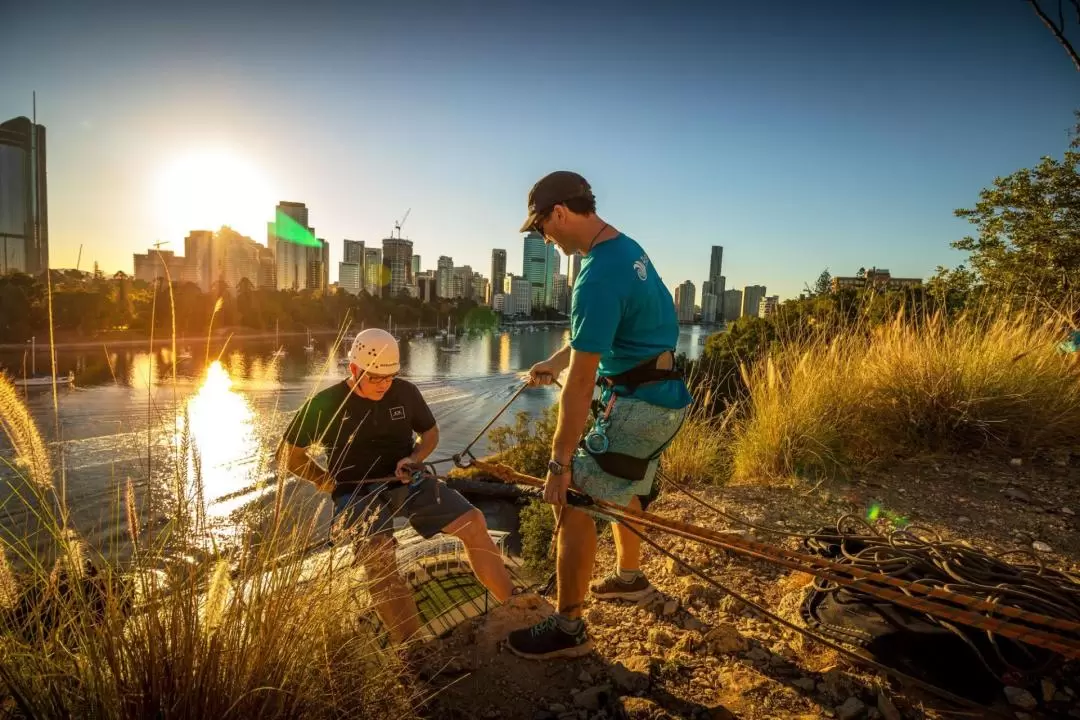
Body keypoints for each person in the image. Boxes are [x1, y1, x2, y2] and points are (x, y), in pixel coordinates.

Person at [506, 171, 692, 660]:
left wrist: (558, 462)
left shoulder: (596, 274)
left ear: (560, 213)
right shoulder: (624, 249)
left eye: (542, 228)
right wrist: (553, 361)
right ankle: (629, 579)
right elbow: (599, 340)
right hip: (665, 401)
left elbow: (584, 382)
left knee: (572, 500)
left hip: (636, 407)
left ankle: (568, 627)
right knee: (626, 490)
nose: (545, 238)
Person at [278, 328, 515, 644]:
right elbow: (289, 456)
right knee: (379, 556)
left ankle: (515, 610)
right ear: (353, 369)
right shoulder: (324, 404)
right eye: (375, 377)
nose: (383, 385)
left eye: (389, 377)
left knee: (473, 521)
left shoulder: (405, 392)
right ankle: (413, 649)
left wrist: (414, 458)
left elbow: (430, 436)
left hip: (407, 479)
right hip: (356, 491)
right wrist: (323, 480)